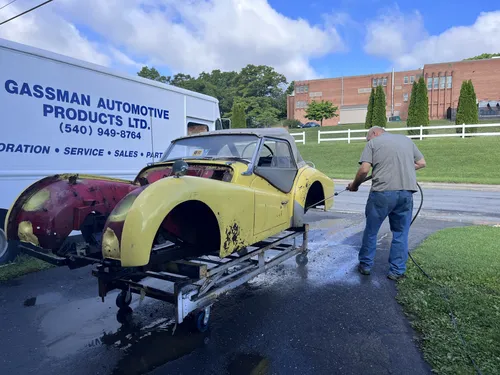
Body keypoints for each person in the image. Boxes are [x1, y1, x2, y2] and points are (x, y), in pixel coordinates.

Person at [347, 126, 426, 280]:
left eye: (368, 138)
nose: (368, 141)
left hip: (382, 194)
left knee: (371, 230)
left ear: (375, 133)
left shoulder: (373, 143)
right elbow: (422, 163)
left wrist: (354, 185)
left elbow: (364, 170)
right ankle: (397, 271)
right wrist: (401, 169)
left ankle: (365, 265)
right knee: (401, 233)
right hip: (406, 193)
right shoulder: (406, 140)